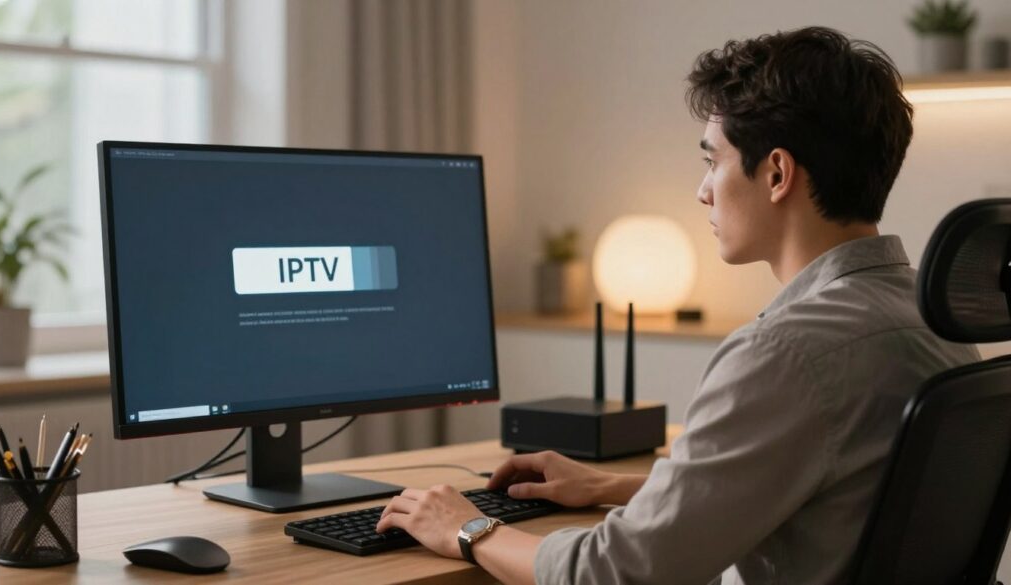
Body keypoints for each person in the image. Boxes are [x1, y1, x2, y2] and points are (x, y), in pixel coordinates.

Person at [375, 26, 981, 584]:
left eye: (711, 160)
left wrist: (467, 527)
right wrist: (610, 486)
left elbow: (617, 573)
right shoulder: (935, 317)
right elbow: (821, 491)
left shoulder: (786, 353)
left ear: (776, 175)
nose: (702, 190)